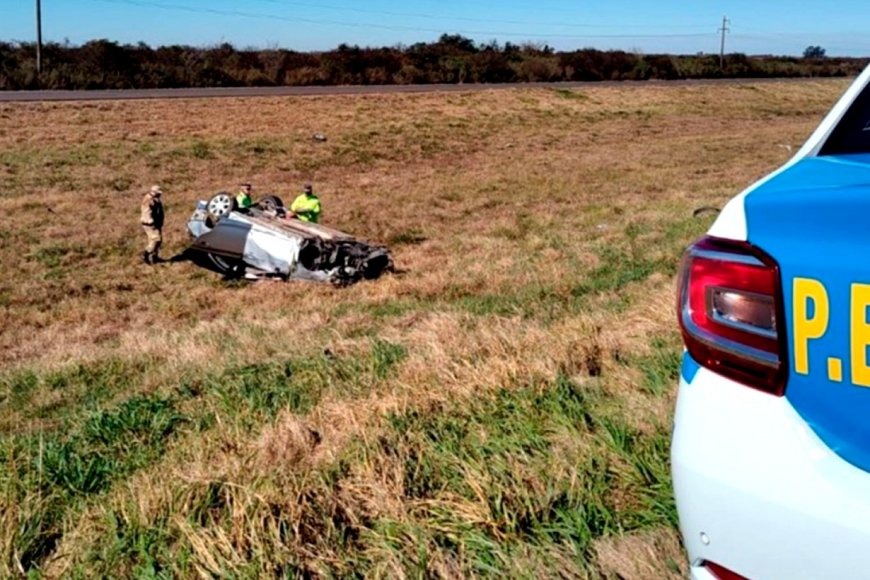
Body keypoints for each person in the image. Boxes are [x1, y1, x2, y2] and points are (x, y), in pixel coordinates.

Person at [140, 185, 165, 264]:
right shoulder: (148, 200)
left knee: (154, 241)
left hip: (156, 223)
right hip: (150, 224)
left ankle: (154, 257)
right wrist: (151, 221)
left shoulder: (155, 199)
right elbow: (146, 212)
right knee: (156, 239)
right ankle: (146, 254)